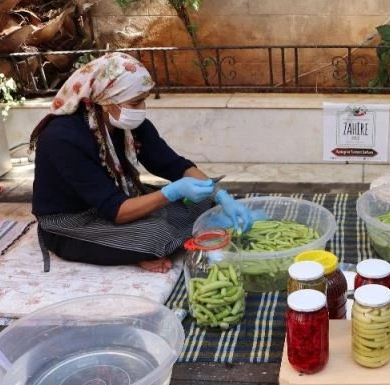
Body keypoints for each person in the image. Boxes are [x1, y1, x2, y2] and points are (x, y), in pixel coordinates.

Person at [30, 52, 253, 273]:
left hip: (117, 199)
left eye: (143, 100)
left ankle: (136, 246)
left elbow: (174, 165)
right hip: (73, 222)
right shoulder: (63, 138)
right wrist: (171, 193)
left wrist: (219, 195)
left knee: (202, 202)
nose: (142, 108)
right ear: (106, 101)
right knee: (156, 235)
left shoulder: (128, 126)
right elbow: (115, 210)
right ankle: (136, 250)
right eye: (136, 102)